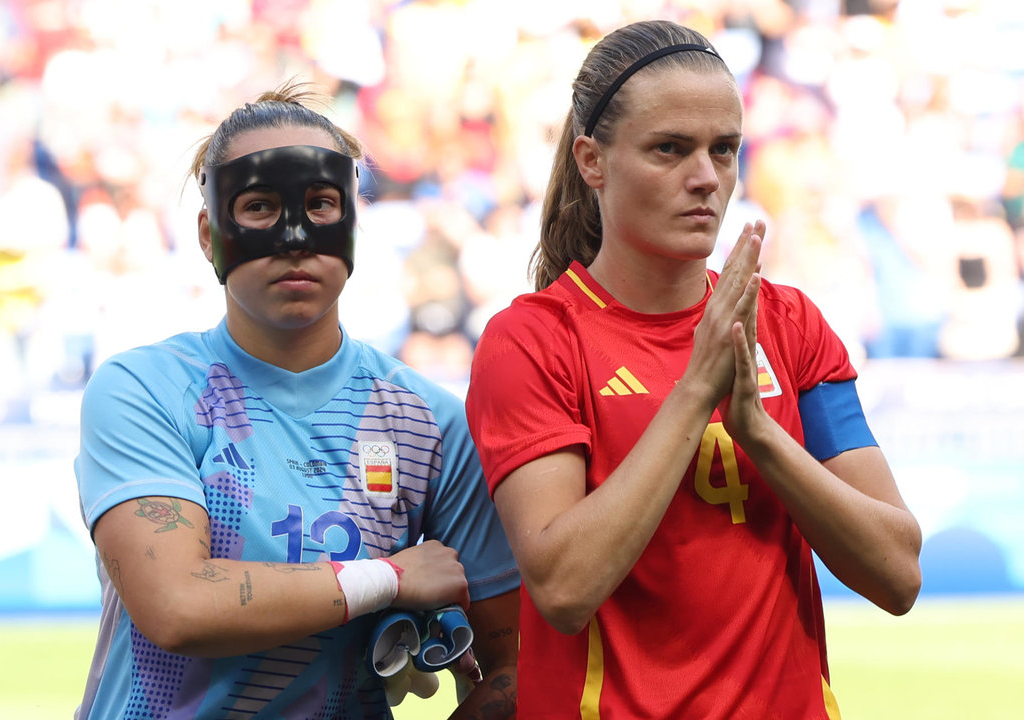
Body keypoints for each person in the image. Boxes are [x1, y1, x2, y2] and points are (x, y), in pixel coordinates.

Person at [464, 20, 922, 719]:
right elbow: (562, 588)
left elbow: (896, 574)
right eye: (669, 149)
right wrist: (693, 393)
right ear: (592, 161)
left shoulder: (791, 323)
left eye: (723, 149)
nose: (705, 178)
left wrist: (761, 437)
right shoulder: (530, 341)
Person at [73, 80, 519, 720]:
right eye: (258, 207)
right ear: (209, 234)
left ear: (354, 226)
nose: (294, 237)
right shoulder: (144, 390)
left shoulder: (431, 422)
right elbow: (178, 606)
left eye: (320, 203)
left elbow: (512, 663)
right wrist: (389, 579)